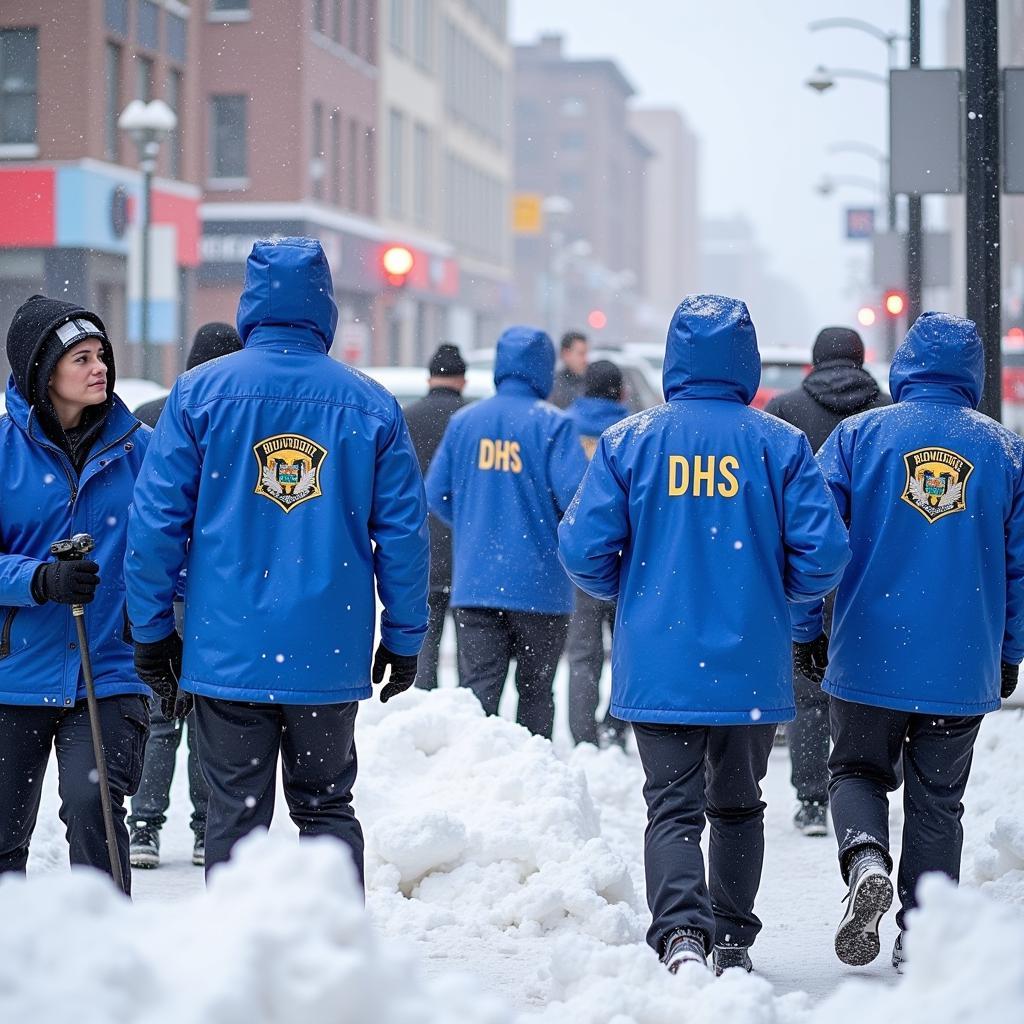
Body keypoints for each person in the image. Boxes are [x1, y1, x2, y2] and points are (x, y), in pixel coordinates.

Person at [559, 295, 849, 975]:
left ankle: (682, 935)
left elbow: (581, 547)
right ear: (744, 362)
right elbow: (826, 551)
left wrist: (631, 591)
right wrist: (778, 593)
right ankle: (733, 938)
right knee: (740, 804)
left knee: (671, 808)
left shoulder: (632, 440)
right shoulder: (777, 443)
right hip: (749, 660)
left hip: (660, 661)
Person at [124, 237, 430, 883]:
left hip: (227, 642)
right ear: (324, 307)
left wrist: (152, 631)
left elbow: (154, 525)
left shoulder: (200, 394)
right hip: (327, 642)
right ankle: (338, 949)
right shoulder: (369, 403)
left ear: (251, 303)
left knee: (235, 813)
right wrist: (405, 637)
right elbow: (402, 534)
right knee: (325, 806)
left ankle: (242, 957)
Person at [791, 312, 1024, 971]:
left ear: (906, 365)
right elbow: (1019, 566)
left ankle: (865, 854)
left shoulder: (857, 438)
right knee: (938, 802)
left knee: (856, 770)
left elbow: (813, 543)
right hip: (960, 660)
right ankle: (920, 934)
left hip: (869, 652)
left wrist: (808, 631)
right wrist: (1010, 651)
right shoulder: (1004, 451)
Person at [0, 295, 151, 890]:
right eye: (81, 358)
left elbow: (179, 548)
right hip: (14, 673)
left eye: (102, 356)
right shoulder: (3, 451)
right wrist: (37, 579)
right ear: (43, 372)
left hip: (110, 669)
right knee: (3, 832)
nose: (99, 369)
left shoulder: (142, 449)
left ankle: (106, 961)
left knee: (97, 819)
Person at [426, 326, 588, 739]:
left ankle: (477, 785)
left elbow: (436, 493)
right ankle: (532, 784)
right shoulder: (554, 425)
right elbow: (576, 500)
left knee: (478, 696)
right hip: (541, 588)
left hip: (476, 585)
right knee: (536, 695)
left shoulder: (465, 421)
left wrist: (473, 523)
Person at [765, 327, 890, 837]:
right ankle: (867, 783)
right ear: (860, 359)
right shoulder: (886, 407)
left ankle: (813, 798)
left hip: (805, 567)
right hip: (874, 568)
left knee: (809, 685)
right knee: (870, 681)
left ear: (814, 360)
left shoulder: (786, 409)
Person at [127, 321, 243, 870]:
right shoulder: (241, 416)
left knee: (158, 712)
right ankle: (203, 828)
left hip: (159, 587)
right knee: (204, 715)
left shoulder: (154, 414)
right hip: (213, 591)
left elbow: (142, 515)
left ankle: (144, 828)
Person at [564, 360, 630, 747]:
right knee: (624, 650)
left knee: (584, 654)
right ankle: (615, 725)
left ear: (584, 388)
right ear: (621, 391)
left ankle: (583, 735)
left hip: (580, 560)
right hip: (627, 560)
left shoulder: (563, 425)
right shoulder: (634, 430)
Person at [403, 344, 468, 691]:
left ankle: (424, 701)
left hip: (420, 545)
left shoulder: (407, 418)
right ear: (464, 379)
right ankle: (465, 710)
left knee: (424, 642)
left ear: (429, 377)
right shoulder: (472, 419)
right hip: (466, 549)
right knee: (470, 650)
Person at [548, 330, 589, 409]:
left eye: (586, 354)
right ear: (566, 354)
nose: (585, 359)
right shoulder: (552, 385)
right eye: (581, 354)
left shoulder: (592, 384)